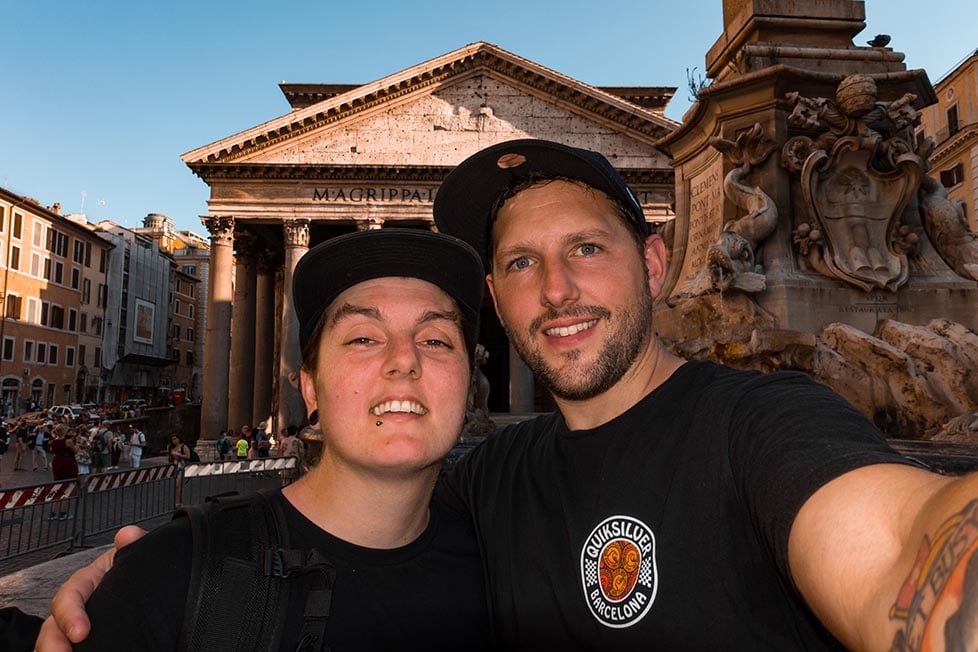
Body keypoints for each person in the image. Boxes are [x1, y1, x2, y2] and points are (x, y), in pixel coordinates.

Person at [41, 139, 978, 651]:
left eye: (587, 249)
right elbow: (351, 513)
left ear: (656, 262)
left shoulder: (761, 426)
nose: (557, 291)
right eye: (522, 263)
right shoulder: (490, 484)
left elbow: (900, 543)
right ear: (497, 301)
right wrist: (164, 574)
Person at [34, 228, 490, 651]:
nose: (404, 360)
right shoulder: (180, 571)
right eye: (364, 338)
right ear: (309, 388)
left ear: (470, 387)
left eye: (436, 341)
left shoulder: (503, 565)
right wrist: (139, 585)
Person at [48, 425, 78, 520]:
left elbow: (52, 451)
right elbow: (75, 451)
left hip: (57, 462)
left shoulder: (53, 441)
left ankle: (52, 513)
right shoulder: (68, 441)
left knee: (57, 487)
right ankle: (63, 513)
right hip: (67, 463)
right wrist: (77, 443)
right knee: (66, 488)